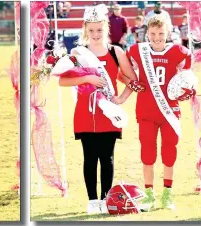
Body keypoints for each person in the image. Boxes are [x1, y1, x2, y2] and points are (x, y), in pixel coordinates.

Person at [55, 4, 140, 214]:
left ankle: (106, 199)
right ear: (85, 29)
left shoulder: (116, 52)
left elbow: (133, 80)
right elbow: (63, 82)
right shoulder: (77, 52)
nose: (95, 34)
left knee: (107, 157)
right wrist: (87, 78)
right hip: (85, 111)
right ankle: (92, 200)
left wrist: (120, 98)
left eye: (99, 30)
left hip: (108, 113)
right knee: (90, 156)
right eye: (91, 30)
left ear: (106, 28)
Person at [127, 14, 197, 211]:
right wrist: (130, 82)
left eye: (161, 33)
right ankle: (149, 194)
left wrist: (187, 89)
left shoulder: (179, 52)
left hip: (170, 111)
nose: (157, 37)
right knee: (147, 152)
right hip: (147, 110)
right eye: (153, 33)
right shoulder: (137, 51)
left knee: (169, 151)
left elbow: (188, 77)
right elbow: (122, 70)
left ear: (168, 33)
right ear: (146, 33)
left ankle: (167, 193)